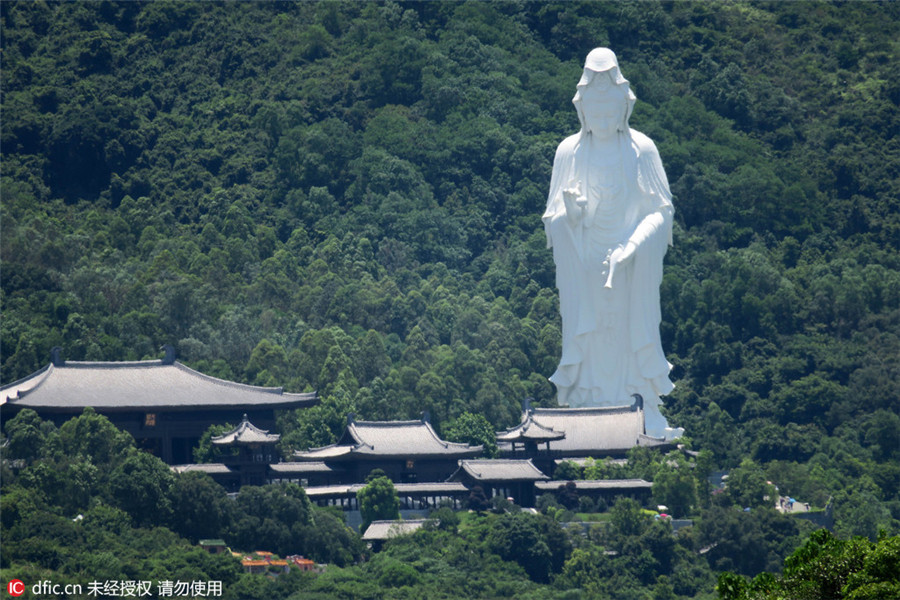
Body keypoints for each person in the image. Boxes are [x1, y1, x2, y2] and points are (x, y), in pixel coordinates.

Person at [542, 48, 681, 439]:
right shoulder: (568, 152)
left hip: (631, 267)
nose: (602, 120)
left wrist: (633, 245)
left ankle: (638, 410)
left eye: (610, 112)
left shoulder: (642, 150)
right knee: (590, 336)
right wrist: (570, 216)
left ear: (624, 106)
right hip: (585, 268)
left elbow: (662, 212)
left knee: (627, 336)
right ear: (582, 109)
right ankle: (588, 409)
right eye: (595, 112)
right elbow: (552, 219)